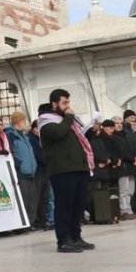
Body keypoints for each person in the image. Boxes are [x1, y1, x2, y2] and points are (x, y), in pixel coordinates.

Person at [38, 89, 95, 253]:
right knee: (64, 205)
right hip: (62, 169)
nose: (68, 106)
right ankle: (63, 240)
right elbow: (58, 133)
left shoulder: (67, 120)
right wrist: (69, 117)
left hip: (78, 167)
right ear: (54, 104)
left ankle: (76, 237)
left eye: (68, 103)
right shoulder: (45, 120)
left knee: (78, 205)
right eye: (64, 103)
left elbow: (76, 140)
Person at [7, 112, 41, 225]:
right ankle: (24, 224)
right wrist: (19, 164)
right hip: (21, 173)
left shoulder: (24, 136)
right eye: (24, 121)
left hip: (31, 172)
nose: (25, 123)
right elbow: (10, 152)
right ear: (18, 121)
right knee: (25, 200)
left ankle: (30, 223)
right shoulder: (10, 135)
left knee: (33, 200)